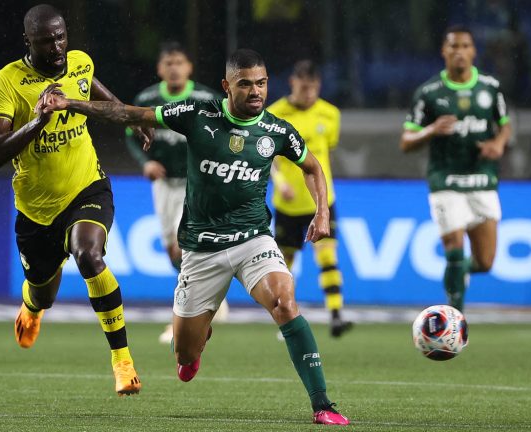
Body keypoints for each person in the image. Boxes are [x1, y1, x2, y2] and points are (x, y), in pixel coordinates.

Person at [41, 49, 350, 425]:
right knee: (184, 356)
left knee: (285, 302)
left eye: (262, 83)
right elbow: (127, 114)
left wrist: (321, 212)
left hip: (254, 239)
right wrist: (70, 103)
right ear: (226, 86)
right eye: (246, 84)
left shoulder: (276, 131)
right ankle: (194, 344)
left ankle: (322, 404)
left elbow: (313, 167)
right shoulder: (196, 115)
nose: (256, 92)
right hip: (202, 249)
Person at [0, 4, 147, 396]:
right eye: (45, 40)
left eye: (60, 37)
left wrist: (134, 117)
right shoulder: (6, 82)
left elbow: (101, 96)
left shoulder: (79, 64)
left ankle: (123, 363)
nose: (56, 46)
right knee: (44, 291)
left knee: (88, 254)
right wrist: (38, 120)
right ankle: (32, 306)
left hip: (87, 187)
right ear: (29, 41)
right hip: (36, 211)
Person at [400, 25, 511, 312]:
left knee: (486, 262)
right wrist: (431, 130)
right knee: (455, 251)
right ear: (444, 51)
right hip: (445, 181)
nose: (459, 52)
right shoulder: (428, 93)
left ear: (473, 51)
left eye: (464, 46)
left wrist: (498, 144)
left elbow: (505, 124)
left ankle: (459, 275)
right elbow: (406, 140)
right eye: (453, 46)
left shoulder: (490, 87)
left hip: (482, 179)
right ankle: (456, 319)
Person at [125, 42, 229, 344]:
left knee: (186, 246)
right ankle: (211, 298)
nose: (173, 68)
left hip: (195, 183)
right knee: (173, 250)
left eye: (179, 62)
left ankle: (188, 315)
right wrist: (147, 161)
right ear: (160, 69)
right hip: (164, 184)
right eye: (168, 63)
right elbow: (132, 133)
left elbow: (224, 134)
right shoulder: (148, 99)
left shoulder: (206, 98)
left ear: (189, 68)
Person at [268, 60, 352, 338]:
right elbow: (268, 157)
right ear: (293, 83)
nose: (309, 93)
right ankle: (286, 319)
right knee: (285, 264)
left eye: (313, 87)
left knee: (328, 256)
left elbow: (325, 152)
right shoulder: (276, 114)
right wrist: (280, 183)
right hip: (288, 204)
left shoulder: (330, 114)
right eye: (304, 87)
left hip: (321, 202)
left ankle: (336, 315)